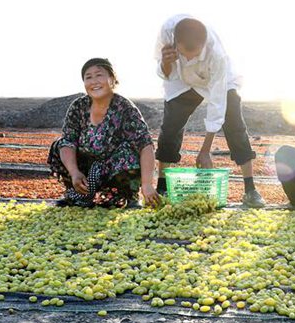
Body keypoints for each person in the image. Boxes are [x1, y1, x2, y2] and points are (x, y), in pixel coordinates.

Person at [154, 15, 265, 208]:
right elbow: (165, 72)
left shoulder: (217, 55)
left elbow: (217, 104)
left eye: (195, 55)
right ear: (175, 42)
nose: (190, 59)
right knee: (171, 125)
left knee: (235, 125)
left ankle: (250, 189)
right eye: (185, 54)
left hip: (215, 80)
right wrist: (165, 63)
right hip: (181, 81)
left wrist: (205, 150)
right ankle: (162, 187)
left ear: (204, 44)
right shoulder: (166, 32)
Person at [48, 58, 159, 208]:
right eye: (88, 77)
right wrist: (74, 172)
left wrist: (147, 184)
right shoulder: (78, 106)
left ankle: (125, 197)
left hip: (112, 169)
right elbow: (68, 141)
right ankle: (78, 193)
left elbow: (145, 146)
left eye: (99, 75)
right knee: (60, 145)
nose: (94, 81)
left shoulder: (124, 108)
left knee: (128, 151)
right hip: (85, 170)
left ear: (112, 80)